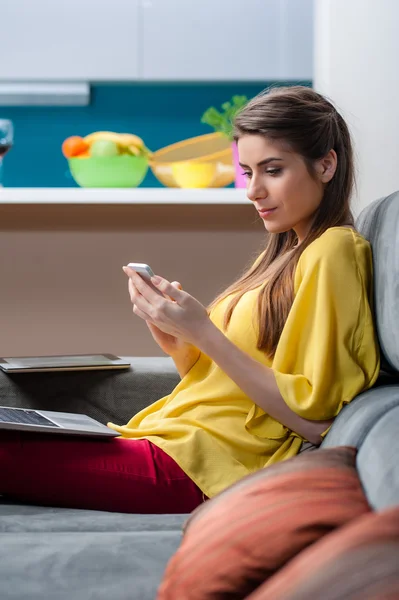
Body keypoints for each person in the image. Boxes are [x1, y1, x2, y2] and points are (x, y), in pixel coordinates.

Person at [0, 86, 380, 514]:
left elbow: (315, 420)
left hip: (198, 467)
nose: (253, 190)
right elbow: (226, 389)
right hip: (173, 439)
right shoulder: (285, 254)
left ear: (326, 164)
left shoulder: (335, 251)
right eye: (247, 172)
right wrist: (179, 341)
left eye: (272, 170)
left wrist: (202, 329)